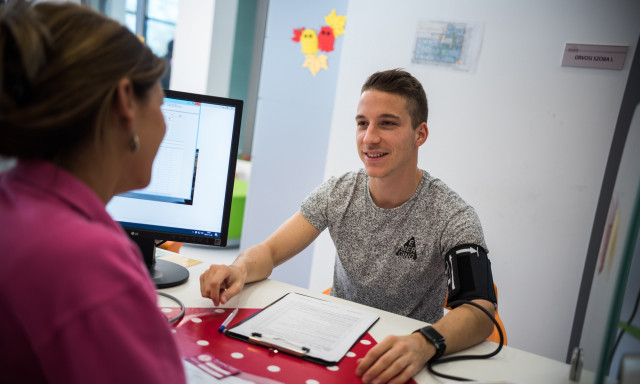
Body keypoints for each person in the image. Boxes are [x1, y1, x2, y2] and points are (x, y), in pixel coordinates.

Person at [200, 68, 497, 383]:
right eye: (362, 123)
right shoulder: (338, 191)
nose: (369, 138)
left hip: (405, 356)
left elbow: (480, 310)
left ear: (420, 134)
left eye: (387, 123)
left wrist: (425, 342)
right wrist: (240, 269)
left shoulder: (452, 215)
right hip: (334, 345)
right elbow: (271, 251)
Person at [0, 1, 186, 383]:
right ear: (124, 101)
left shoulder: (14, 200)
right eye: (162, 103)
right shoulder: (85, 260)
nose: (165, 126)